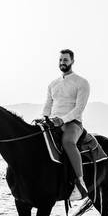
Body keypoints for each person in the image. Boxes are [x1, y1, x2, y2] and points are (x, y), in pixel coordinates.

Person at [41, 49, 90, 198]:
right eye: (61, 60)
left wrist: (62, 120)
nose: (62, 63)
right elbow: (48, 105)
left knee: (68, 142)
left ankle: (80, 184)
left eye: (65, 60)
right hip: (52, 122)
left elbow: (79, 109)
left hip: (73, 123)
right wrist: (44, 117)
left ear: (72, 61)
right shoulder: (52, 84)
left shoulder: (81, 82)